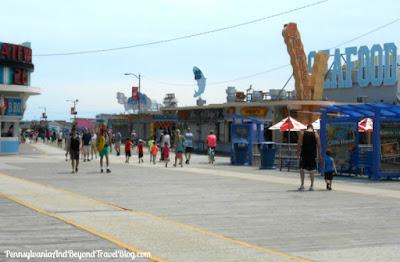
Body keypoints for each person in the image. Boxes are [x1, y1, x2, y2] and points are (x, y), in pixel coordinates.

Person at [297, 124, 322, 191]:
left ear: (307, 128)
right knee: (312, 169)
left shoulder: (302, 133)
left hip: (304, 152)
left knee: (302, 168)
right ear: (312, 128)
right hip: (312, 153)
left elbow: (299, 143)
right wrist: (320, 155)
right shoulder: (316, 134)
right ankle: (312, 185)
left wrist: (298, 152)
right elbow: (319, 145)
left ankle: (302, 184)